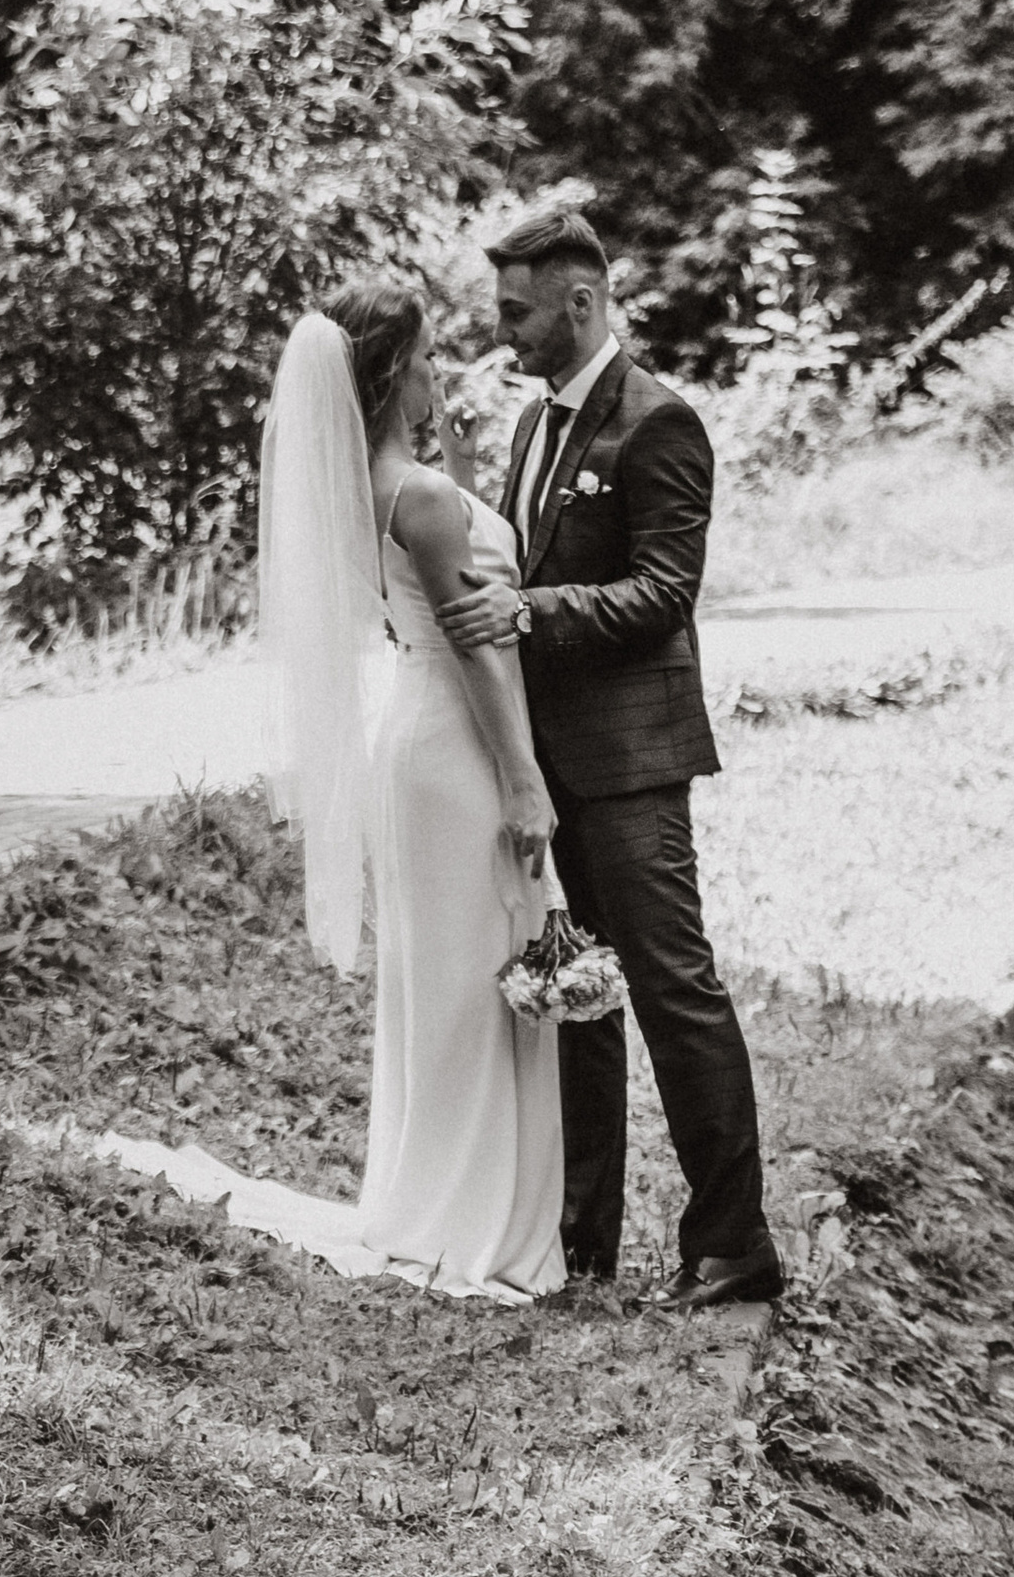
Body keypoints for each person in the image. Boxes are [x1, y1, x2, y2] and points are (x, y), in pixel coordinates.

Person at [435, 198, 782, 1310]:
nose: (507, 334)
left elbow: (662, 592)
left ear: (581, 301)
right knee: (576, 1001)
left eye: (521, 313)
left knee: (675, 990)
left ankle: (732, 1245)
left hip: (631, 764)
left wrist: (531, 613)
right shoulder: (533, 424)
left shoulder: (659, 422)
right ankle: (581, 1241)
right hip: (546, 763)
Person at [259, 281, 566, 1298]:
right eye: (430, 358)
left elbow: (444, 578)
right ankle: (468, 1221)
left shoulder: (378, 482)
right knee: (472, 982)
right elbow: (478, 648)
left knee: (446, 974)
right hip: (456, 749)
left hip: (416, 739)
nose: (443, 374)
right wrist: (524, 784)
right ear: (393, 373)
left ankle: (432, 1194)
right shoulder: (421, 497)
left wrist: (454, 461)